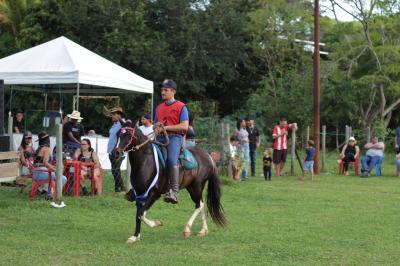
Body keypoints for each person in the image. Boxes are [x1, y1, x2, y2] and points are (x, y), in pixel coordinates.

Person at [154, 79, 189, 204]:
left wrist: (166, 128)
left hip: (175, 137)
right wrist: (156, 127)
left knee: (170, 160)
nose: (162, 92)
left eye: (165, 90)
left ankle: (174, 191)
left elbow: (184, 126)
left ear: (173, 92)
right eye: (162, 89)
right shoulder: (158, 108)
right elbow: (155, 125)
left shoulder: (181, 107)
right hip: (159, 137)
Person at [32, 132, 66, 196]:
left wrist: (52, 167)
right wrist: (55, 169)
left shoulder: (39, 148)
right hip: (42, 173)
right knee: (63, 178)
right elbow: (45, 163)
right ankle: (52, 194)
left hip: (35, 173)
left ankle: (44, 190)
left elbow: (40, 163)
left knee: (54, 174)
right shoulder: (46, 148)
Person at [107, 106, 126, 192]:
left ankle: (119, 187)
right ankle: (119, 187)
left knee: (116, 169)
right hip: (111, 150)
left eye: (114, 115)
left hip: (118, 151)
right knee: (114, 169)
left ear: (119, 115)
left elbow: (122, 137)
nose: (112, 116)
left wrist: (117, 149)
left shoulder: (123, 124)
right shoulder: (114, 125)